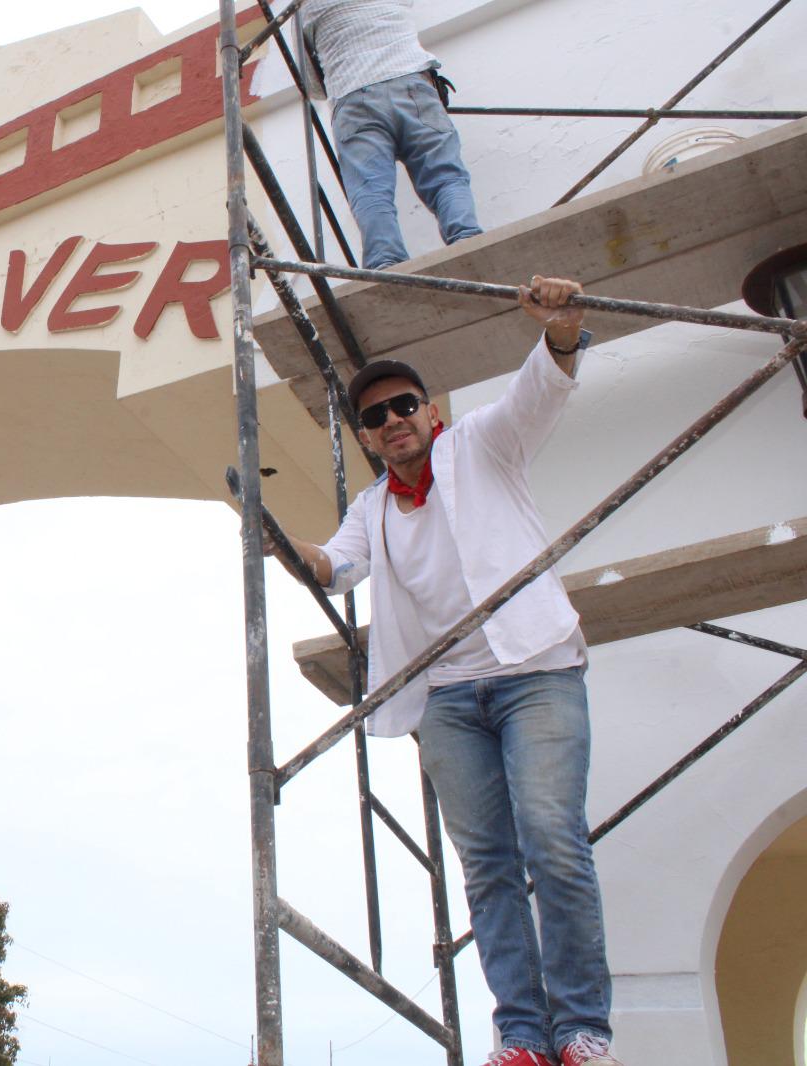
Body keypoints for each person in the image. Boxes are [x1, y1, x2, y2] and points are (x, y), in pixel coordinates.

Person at [265, 276, 624, 1066]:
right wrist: (290, 550)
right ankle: (523, 1036)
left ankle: (582, 1029)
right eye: (374, 416)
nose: (392, 421)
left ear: (431, 413)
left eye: (404, 406)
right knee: (488, 866)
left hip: (535, 669)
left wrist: (561, 330)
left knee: (552, 840)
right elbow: (336, 566)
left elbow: (539, 392)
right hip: (447, 698)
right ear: (365, 438)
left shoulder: (482, 445)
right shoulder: (372, 509)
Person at [295, 0, 483, 269]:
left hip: (353, 97)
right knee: (445, 177)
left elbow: (311, 85)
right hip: (412, 84)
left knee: (370, 191)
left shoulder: (302, 6)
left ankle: (385, 264)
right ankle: (467, 239)